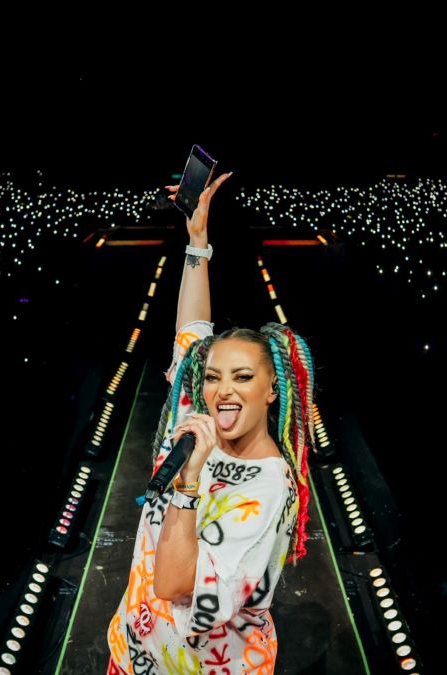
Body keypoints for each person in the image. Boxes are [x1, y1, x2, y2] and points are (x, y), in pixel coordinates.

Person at [108, 170, 318, 674]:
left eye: (243, 377)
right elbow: (192, 329)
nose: (223, 389)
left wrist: (187, 483)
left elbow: (173, 584)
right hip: (134, 651)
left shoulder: (267, 486)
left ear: (272, 390)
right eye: (213, 377)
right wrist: (197, 243)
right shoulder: (197, 418)